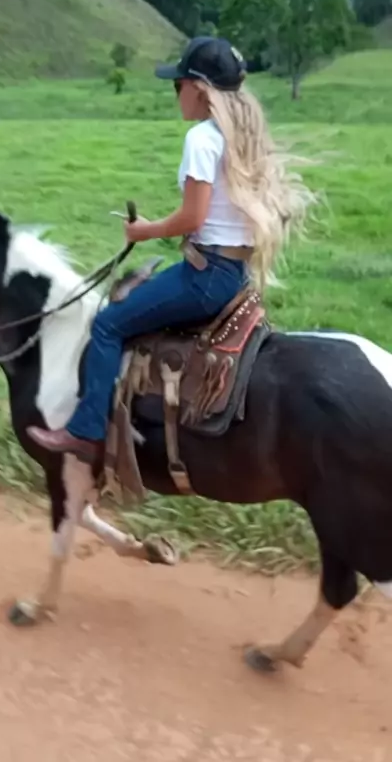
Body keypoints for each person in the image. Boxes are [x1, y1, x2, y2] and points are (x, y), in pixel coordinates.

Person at [27, 36, 312, 463]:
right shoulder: (242, 137)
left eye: (177, 85)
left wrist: (144, 231)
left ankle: (87, 431)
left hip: (205, 276)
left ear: (198, 88)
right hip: (233, 272)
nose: (175, 93)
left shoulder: (201, 139)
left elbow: (193, 218)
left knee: (106, 325)